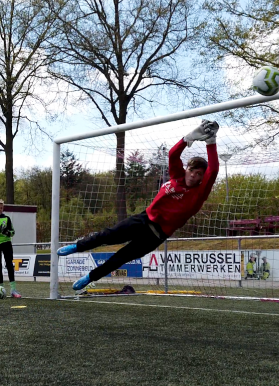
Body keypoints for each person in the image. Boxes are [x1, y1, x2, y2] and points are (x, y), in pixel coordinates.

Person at [57, 120, 220, 292]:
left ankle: (90, 277)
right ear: (186, 169)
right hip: (143, 219)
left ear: (202, 178)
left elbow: (214, 169)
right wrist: (189, 137)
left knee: (120, 258)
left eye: (199, 174)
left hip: (155, 236)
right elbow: (173, 154)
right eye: (191, 170)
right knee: (107, 235)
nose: (194, 175)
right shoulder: (177, 176)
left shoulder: (199, 193)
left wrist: (211, 142)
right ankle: (76, 247)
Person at [0, 199, 21, 298]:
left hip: (6, 243)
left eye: (1, 208)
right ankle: (0, 288)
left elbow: (13, 232)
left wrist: (7, 232)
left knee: (9, 265)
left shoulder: (7, 218)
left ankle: (13, 290)